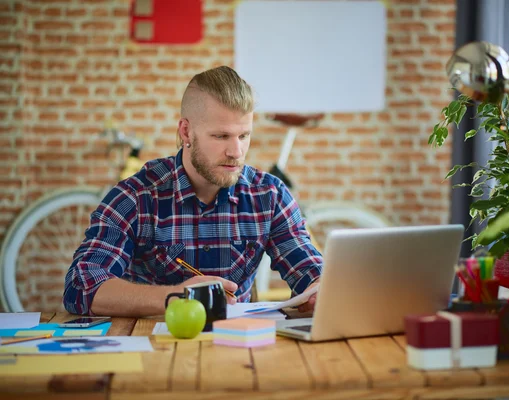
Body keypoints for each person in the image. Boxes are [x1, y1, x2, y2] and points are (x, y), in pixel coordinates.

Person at [63, 66, 323, 317]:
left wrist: (320, 290)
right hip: (154, 348)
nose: (236, 152)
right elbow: (81, 286)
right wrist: (176, 297)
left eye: (244, 136)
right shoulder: (136, 197)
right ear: (186, 131)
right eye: (221, 136)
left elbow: (310, 271)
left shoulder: (270, 195)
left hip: (238, 349)